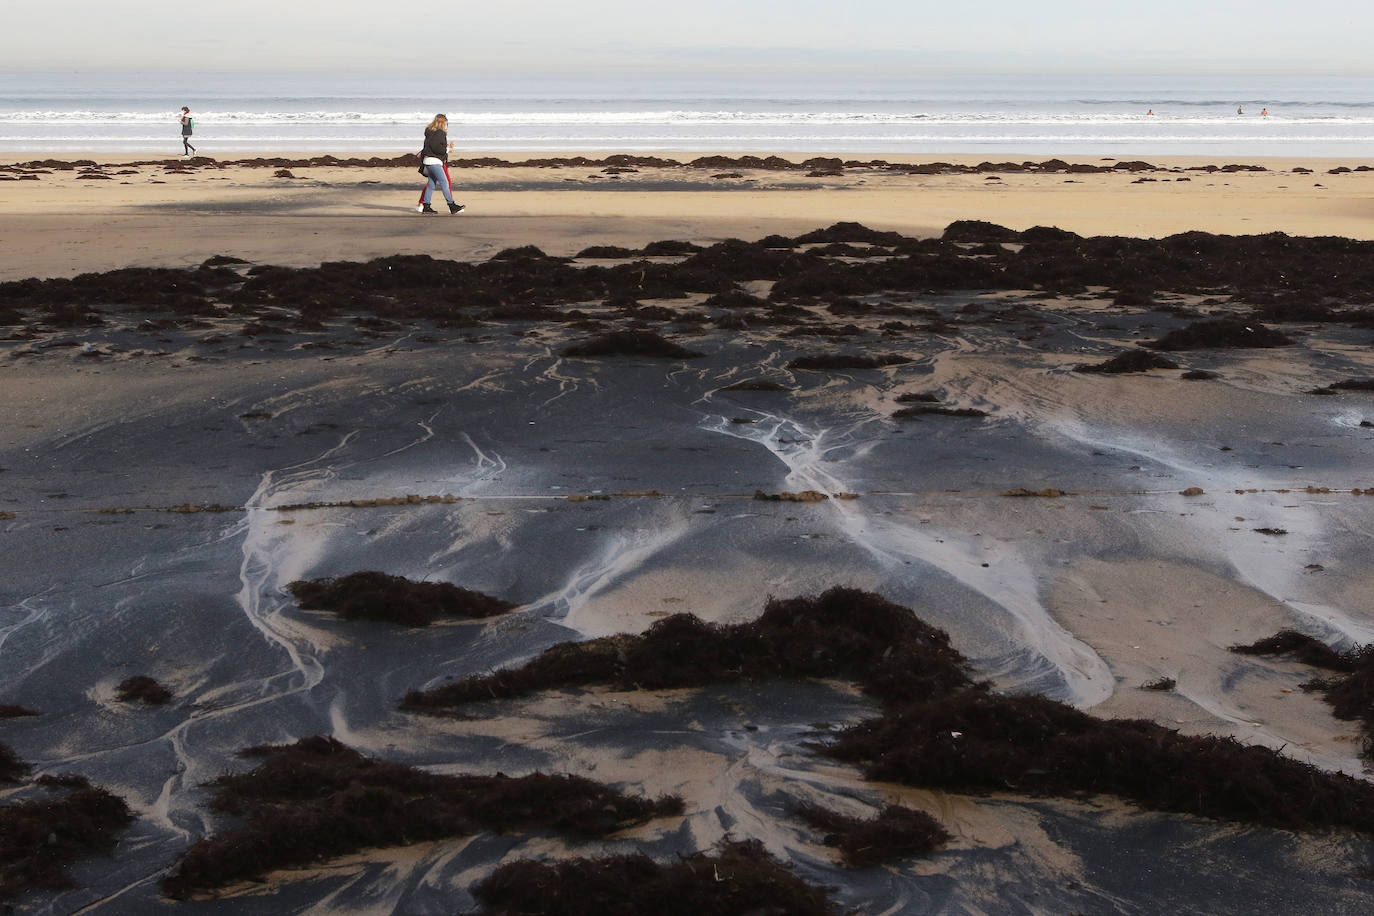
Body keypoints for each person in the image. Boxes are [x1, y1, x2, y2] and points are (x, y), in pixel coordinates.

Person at [418, 114, 464, 215]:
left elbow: (431, 147)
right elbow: (438, 149)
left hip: (428, 161)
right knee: (445, 183)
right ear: (443, 123)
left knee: (431, 184)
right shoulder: (440, 133)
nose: (447, 125)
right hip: (435, 162)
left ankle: (426, 206)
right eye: (446, 123)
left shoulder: (429, 132)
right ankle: (451, 205)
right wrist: (447, 149)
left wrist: (445, 148)